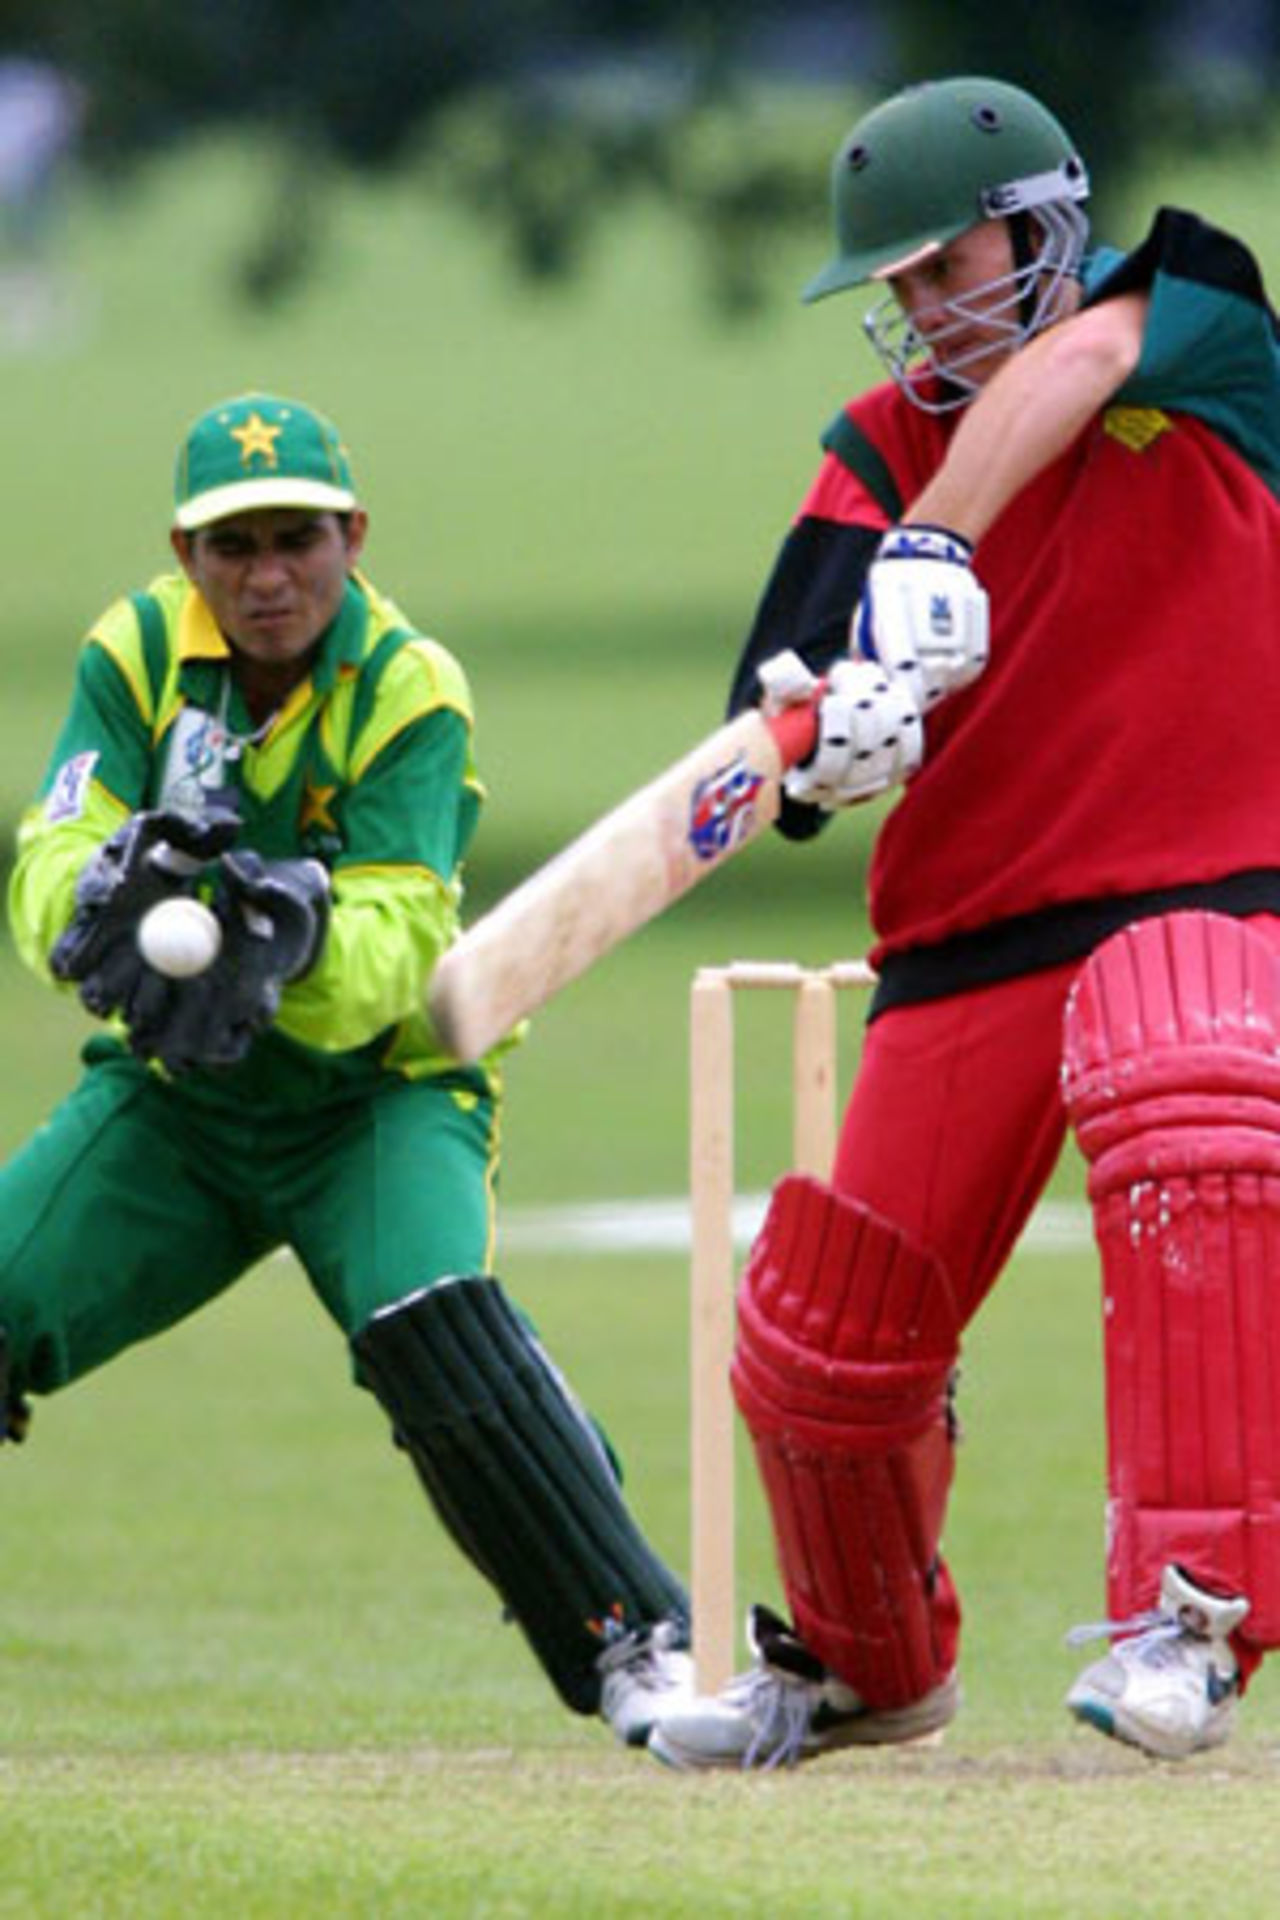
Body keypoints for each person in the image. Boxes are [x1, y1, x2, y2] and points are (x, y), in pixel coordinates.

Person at [647, 74, 1280, 1770]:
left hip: (1212, 885)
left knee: (1192, 1117)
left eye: (955, 263)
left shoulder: (1189, 321)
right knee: (824, 1332)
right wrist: (828, 745)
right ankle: (866, 1665)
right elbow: (764, 735)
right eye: (905, 285)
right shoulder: (871, 445)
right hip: (972, 927)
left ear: (1050, 225)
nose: (933, 308)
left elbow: (1078, 368)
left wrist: (941, 539)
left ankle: (1196, 1621)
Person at [2, 390, 693, 1747]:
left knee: (431, 1319)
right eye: (235, 546)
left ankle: (642, 1652)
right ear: (184, 554)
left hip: (375, 1101)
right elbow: (49, 846)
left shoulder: (406, 685)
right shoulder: (135, 650)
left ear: (355, 536)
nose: (269, 578)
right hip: (175, 1109)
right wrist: (89, 898)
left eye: (299, 542)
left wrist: (282, 956)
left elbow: (404, 937)